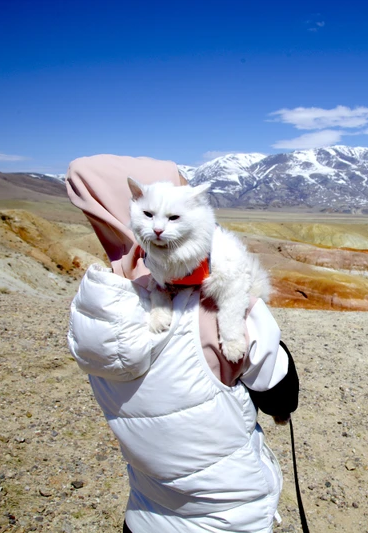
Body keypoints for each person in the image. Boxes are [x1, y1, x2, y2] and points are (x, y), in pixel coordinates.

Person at [65, 155, 297, 533]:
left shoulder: (94, 311)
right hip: (227, 515)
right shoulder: (212, 304)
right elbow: (279, 389)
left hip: (147, 511)